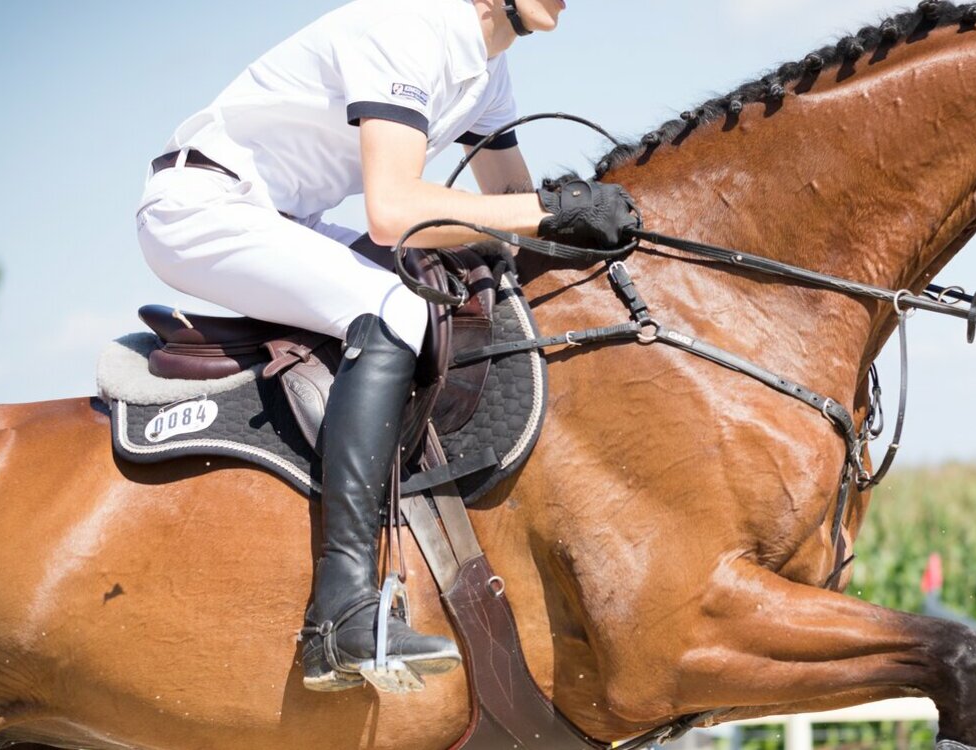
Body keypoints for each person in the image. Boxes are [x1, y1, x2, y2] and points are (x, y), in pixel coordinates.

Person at [134, 0, 638, 694]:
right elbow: (395, 210)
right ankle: (339, 611)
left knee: (444, 289)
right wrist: (549, 210)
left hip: (282, 217)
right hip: (204, 207)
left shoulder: (487, 72)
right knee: (395, 308)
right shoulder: (413, 28)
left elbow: (512, 206)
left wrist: (591, 222)